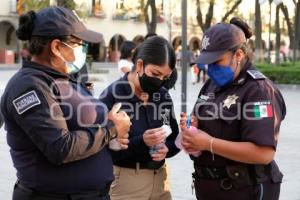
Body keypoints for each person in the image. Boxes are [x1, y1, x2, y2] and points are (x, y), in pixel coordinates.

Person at [0, 7, 131, 200]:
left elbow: (82, 128)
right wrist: (110, 129)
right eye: (78, 44)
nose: (83, 50)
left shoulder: (64, 78)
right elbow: (60, 147)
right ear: (56, 47)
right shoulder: (29, 85)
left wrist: (108, 141)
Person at [179, 18, 286, 200]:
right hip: (211, 189)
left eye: (217, 61)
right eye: (207, 62)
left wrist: (208, 143)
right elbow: (202, 116)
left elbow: (264, 153)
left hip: (246, 190)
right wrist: (193, 124)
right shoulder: (212, 84)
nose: (210, 68)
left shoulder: (258, 90)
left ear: (238, 55)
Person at [99, 36, 180, 200]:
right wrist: (141, 142)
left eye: (165, 78)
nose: (159, 82)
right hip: (126, 182)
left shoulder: (162, 95)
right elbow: (101, 148)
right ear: (140, 65)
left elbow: (174, 137)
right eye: (155, 74)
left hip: (160, 180)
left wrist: (168, 150)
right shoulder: (113, 95)